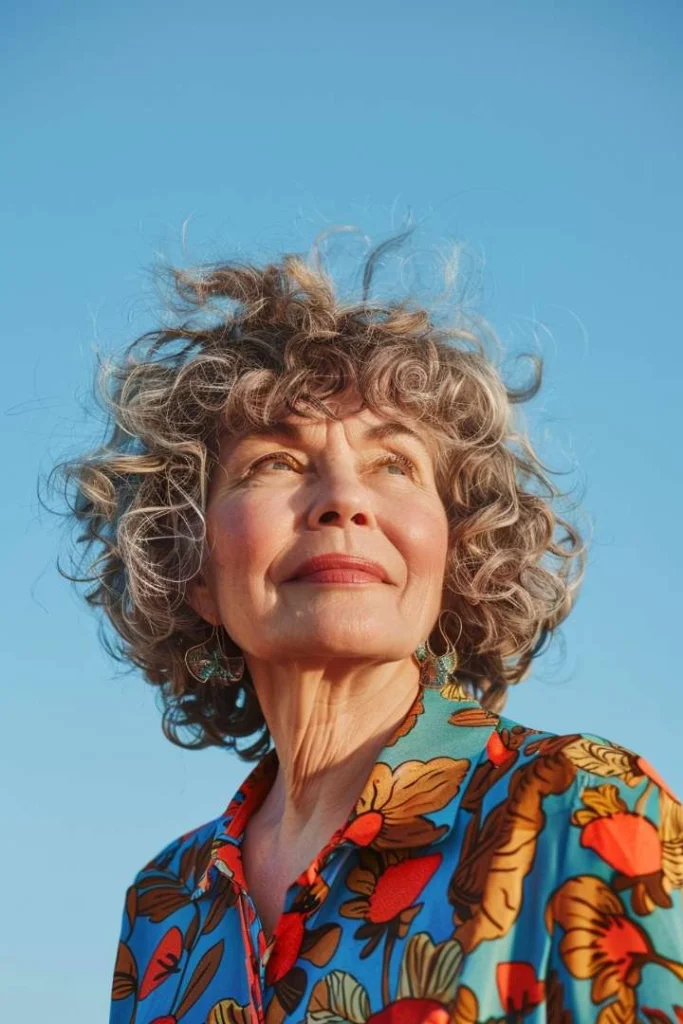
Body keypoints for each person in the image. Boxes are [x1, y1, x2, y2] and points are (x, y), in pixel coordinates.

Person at [57, 232, 682, 1023]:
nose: (342, 499)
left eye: (394, 465)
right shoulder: (164, 905)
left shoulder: (577, 805)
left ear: (456, 555)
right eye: (274, 462)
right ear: (190, 568)